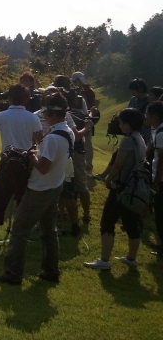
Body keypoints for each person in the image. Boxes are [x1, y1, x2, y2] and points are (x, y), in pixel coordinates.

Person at [0, 92, 74, 285]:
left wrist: (31, 155)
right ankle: (51, 271)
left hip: (40, 188)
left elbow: (43, 167)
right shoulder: (67, 131)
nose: (43, 115)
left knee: (19, 230)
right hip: (55, 185)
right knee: (49, 231)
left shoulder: (53, 138)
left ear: (52, 113)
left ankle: (12, 274)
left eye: (45, 112)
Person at [84, 108, 147, 270]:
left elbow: (118, 165)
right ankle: (131, 258)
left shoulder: (127, 141)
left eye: (121, 123)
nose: (119, 126)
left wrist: (108, 180)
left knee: (107, 222)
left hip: (121, 187)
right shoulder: (140, 138)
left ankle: (104, 260)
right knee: (132, 223)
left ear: (128, 124)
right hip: (134, 188)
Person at [0, 84, 43, 247]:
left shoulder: (1, 116)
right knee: (23, 201)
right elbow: (39, 140)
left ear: (9, 98)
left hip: (7, 161)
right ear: (26, 99)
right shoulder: (33, 118)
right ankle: (20, 236)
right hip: (26, 161)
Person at [52, 75, 92, 235]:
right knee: (78, 183)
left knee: (67, 183)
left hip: (68, 148)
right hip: (76, 148)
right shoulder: (79, 99)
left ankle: (65, 213)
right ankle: (84, 214)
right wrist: (87, 127)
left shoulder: (57, 102)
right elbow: (86, 117)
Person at [145, 101, 163, 259]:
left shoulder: (161, 133)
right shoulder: (157, 131)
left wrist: (156, 180)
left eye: (148, 115)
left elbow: (162, 159)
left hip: (161, 179)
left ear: (155, 116)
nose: (146, 117)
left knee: (160, 214)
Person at [71, 71, 98, 174]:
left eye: (75, 81)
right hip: (77, 119)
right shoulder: (76, 91)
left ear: (78, 80)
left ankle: (88, 164)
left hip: (86, 119)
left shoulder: (88, 91)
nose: (74, 83)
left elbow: (90, 108)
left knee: (87, 142)